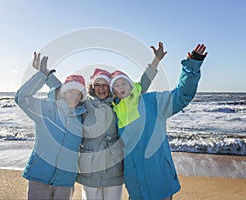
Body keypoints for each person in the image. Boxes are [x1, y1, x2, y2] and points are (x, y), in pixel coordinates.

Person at [109, 43, 207, 200]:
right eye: (116, 86)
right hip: (135, 184)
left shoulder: (153, 101)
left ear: (131, 84)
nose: (121, 87)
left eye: (124, 83)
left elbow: (182, 95)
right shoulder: (114, 113)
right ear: (113, 92)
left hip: (159, 177)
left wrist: (192, 66)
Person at [76, 43, 165, 200]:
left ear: (110, 89)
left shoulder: (119, 103)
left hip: (114, 167)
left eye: (105, 85)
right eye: (98, 85)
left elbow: (141, 86)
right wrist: (46, 76)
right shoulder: (84, 104)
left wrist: (156, 61)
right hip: (90, 167)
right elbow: (66, 94)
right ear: (93, 87)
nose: (102, 88)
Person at [15, 53, 87, 200]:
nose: (74, 96)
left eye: (78, 94)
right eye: (71, 91)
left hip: (65, 181)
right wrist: (42, 75)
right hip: (40, 175)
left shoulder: (83, 116)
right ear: (64, 93)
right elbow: (21, 98)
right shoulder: (47, 109)